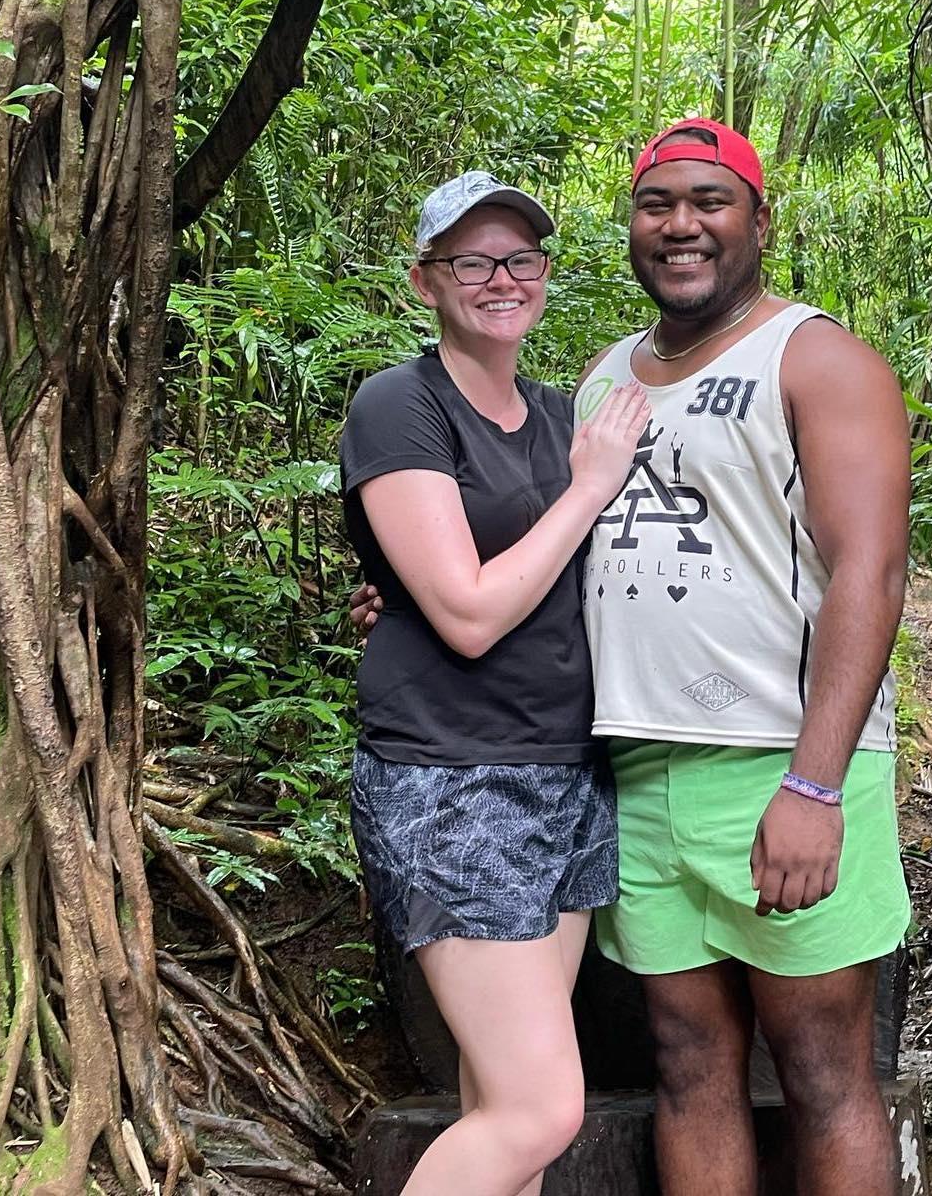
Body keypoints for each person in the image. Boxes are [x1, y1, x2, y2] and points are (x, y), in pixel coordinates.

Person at [356, 123, 914, 1196]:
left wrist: (816, 781)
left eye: (711, 200)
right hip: (633, 775)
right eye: (658, 204)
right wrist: (410, 588)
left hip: (777, 761)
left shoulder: (816, 356)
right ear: (630, 227)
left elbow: (872, 575)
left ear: (760, 218)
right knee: (688, 1069)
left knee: (823, 1071)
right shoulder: (609, 377)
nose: (682, 225)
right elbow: (553, 540)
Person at [340, 169, 650, 1196]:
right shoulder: (399, 405)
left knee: (497, 1101)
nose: (500, 278)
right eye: (471, 260)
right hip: (452, 780)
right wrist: (590, 487)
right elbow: (469, 613)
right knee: (540, 1109)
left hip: (565, 773)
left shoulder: (565, 415)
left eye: (520, 259)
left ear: (546, 277)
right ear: (426, 282)